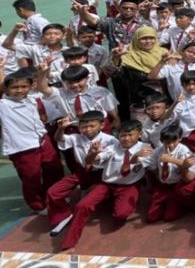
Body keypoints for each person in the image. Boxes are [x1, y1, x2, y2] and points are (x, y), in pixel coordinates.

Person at [60, 120, 151, 250]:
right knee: (82, 205)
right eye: (122, 135)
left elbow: (143, 166)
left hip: (128, 186)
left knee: (121, 214)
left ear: (140, 134)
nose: (126, 139)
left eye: (130, 135)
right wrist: (93, 153)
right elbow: (91, 161)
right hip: (107, 184)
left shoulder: (145, 148)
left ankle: (118, 201)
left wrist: (134, 160)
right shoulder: (113, 146)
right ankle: (69, 242)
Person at [0, 68, 64, 215]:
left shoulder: (31, 99)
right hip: (22, 148)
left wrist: (43, 71)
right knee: (31, 178)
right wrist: (1, 69)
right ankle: (38, 205)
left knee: (54, 168)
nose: (20, 90)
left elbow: (42, 85)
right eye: (15, 87)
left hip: (42, 140)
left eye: (24, 86)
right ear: (7, 89)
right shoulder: (3, 105)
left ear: (30, 87)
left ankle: (54, 196)